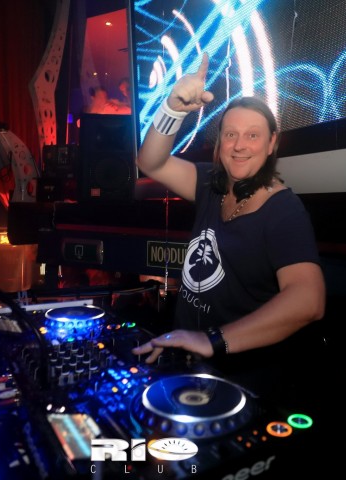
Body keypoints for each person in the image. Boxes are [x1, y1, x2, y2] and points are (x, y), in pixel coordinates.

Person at [132, 53, 326, 399]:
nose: (239, 145)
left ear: (272, 144)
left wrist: (213, 340)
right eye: (231, 134)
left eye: (253, 135)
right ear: (219, 142)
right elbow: (150, 162)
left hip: (243, 381)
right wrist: (173, 109)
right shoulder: (211, 184)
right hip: (189, 365)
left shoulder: (284, 211)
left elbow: (308, 300)